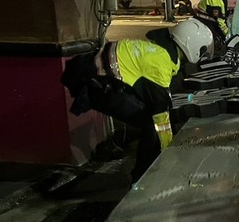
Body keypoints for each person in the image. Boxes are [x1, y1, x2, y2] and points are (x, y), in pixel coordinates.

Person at [61, 19, 215, 182]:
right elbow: (160, 113)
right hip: (98, 87)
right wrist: (169, 153)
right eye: (203, 50)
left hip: (95, 79)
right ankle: (142, 178)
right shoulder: (161, 61)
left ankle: (144, 172)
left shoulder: (160, 51)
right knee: (151, 125)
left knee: (149, 119)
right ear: (192, 46)